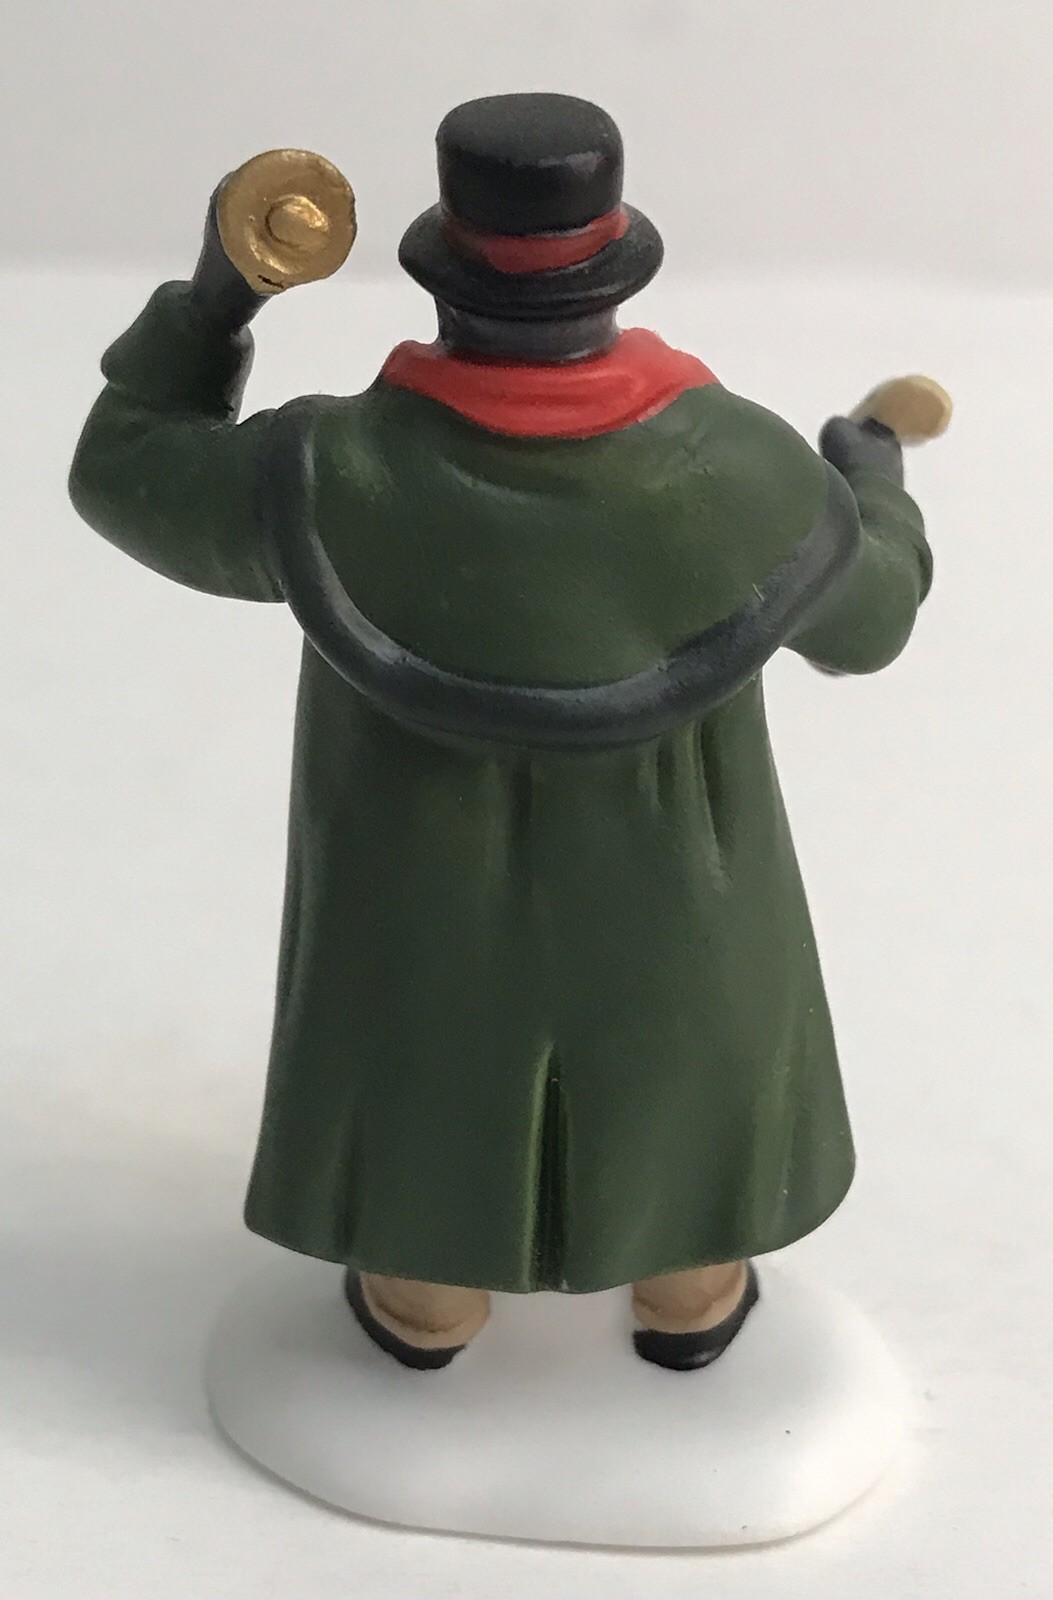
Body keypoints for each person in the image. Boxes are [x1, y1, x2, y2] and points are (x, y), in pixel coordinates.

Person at [69, 93, 934, 1373]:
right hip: (678, 901)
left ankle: (425, 1299)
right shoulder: (745, 470)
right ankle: (692, 1289)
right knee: (682, 1050)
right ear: (620, 268)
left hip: (421, 900)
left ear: (445, 276)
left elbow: (122, 465)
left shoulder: (326, 468)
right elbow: (875, 620)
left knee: (429, 1056)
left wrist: (219, 294)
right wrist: (869, 475)